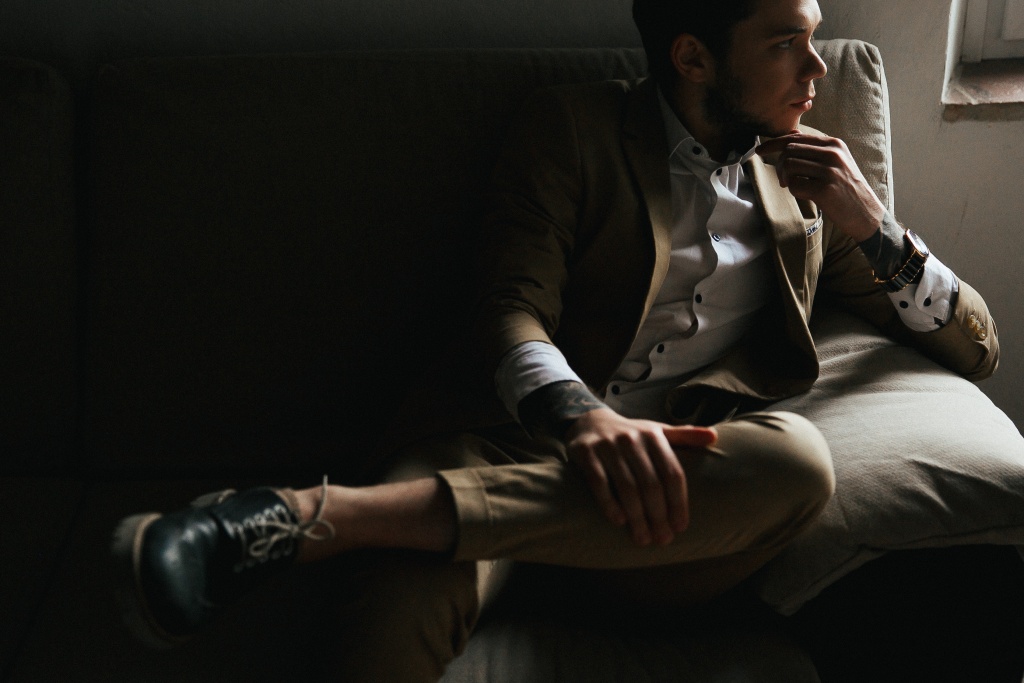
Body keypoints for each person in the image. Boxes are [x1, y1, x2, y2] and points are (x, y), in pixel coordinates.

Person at [111, 0, 998, 680]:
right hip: (502, 446)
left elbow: (976, 349)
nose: (816, 67)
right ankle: (342, 526)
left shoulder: (808, 186)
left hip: (666, 506)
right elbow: (509, 309)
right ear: (693, 57)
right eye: (786, 43)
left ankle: (321, 515)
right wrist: (581, 418)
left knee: (799, 463)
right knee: (389, 617)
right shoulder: (571, 129)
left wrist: (873, 224)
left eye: (815, 37)